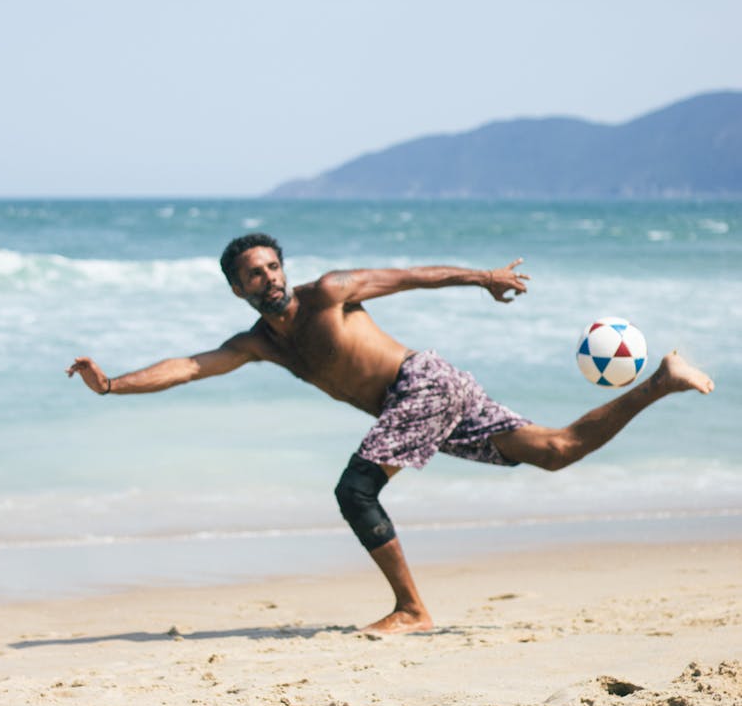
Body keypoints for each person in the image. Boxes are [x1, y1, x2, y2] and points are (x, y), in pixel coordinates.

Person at [68, 232, 714, 634]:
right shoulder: (259, 343)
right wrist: (113, 384)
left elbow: (410, 276)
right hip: (427, 397)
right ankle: (662, 380)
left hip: (422, 383)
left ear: (283, 269)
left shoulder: (329, 293)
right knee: (554, 452)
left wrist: (484, 276)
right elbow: (188, 366)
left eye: (272, 266)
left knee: (356, 491)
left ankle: (411, 609)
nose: (267, 277)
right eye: (253, 273)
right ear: (237, 288)